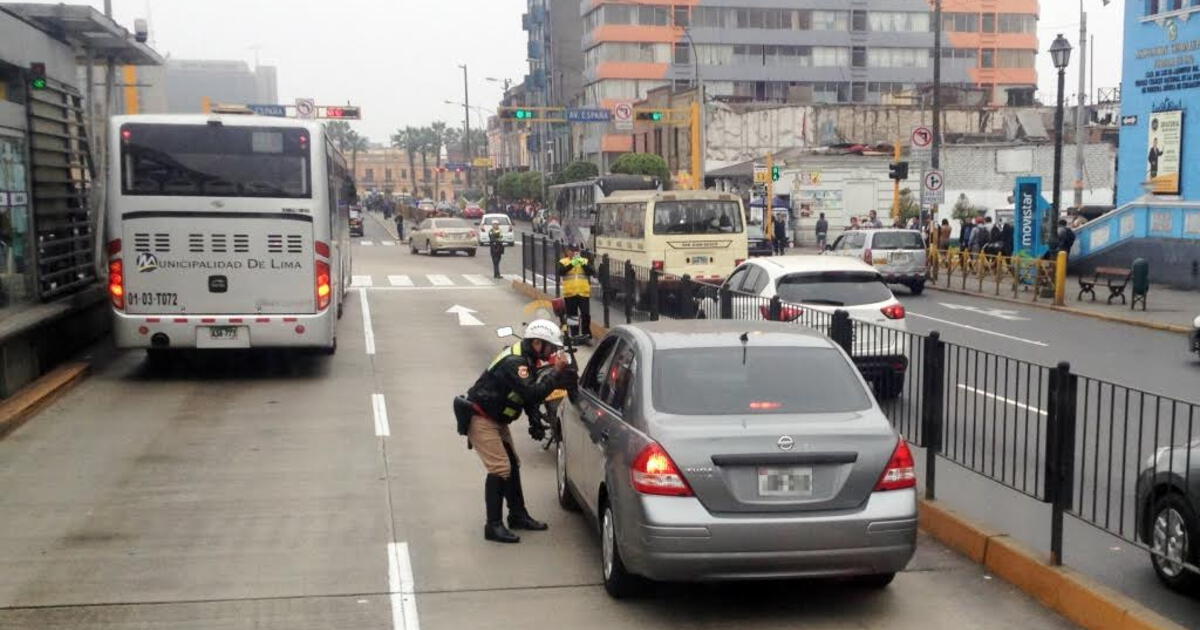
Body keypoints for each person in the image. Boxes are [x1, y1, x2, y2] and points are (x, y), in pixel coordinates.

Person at [465, 320, 577, 543]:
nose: (553, 352)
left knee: (512, 465)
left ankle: (518, 515)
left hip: (497, 418)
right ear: (537, 343)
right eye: (550, 347)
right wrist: (556, 373)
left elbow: (526, 395)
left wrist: (534, 420)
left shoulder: (528, 358)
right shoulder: (515, 362)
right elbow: (531, 393)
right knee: (500, 468)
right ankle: (493, 525)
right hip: (481, 418)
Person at [557, 244, 594, 342]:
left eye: (576, 251)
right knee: (572, 316)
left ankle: (586, 335)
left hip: (583, 293)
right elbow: (561, 272)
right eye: (572, 251)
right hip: (570, 293)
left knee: (585, 314)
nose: (574, 253)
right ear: (567, 251)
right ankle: (574, 335)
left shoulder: (584, 261)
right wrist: (572, 263)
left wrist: (582, 263)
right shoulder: (563, 262)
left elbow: (591, 271)